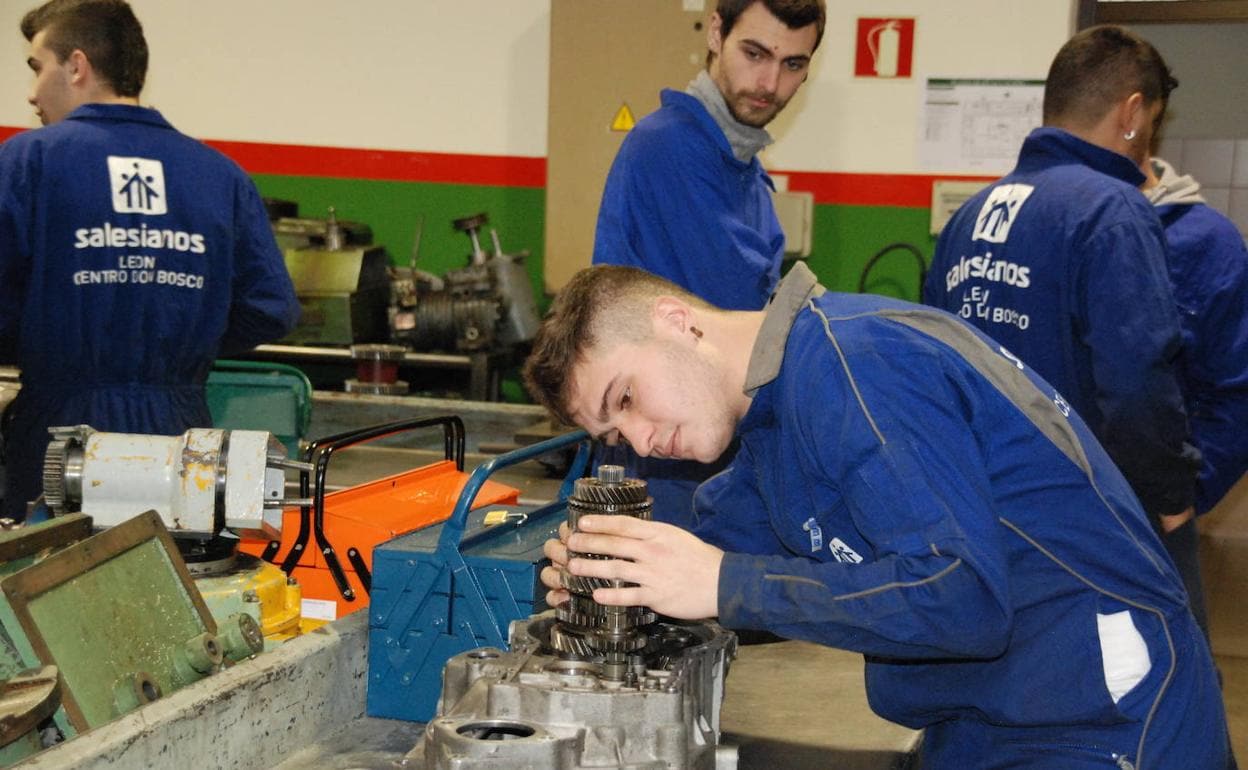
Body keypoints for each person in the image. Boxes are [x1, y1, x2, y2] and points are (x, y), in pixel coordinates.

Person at [523, 262, 1231, 769]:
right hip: (989, 720)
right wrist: (610, 582)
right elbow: (711, 549)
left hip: (1107, 715)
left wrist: (722, 583)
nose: (643, 440)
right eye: (616, 435)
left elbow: (963, 597)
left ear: (677, 324)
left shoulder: (855, 361)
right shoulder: (771, 434)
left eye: (627, 398)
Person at [0, 0, 299, 520]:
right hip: (180, 436)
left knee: (44, 581)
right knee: (176, 580)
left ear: (76, 65)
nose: (31, 92)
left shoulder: (28, 160)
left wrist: (42, 338)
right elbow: (270, 306)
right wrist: (184, 335)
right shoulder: (219, 174)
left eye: (36, 66)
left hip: (59, 434)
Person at [922, 27, 1198, 542]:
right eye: (1154, 124)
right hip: (1084, 522)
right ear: (1133, 112)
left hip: (980, 509)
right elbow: (1137, 384)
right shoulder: (1113, 212)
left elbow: (934, 367)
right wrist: (1172, 496)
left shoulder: (970, 216)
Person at [592, 0, 825, 528]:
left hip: (712, 461)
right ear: (716, 32)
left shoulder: (744, 170)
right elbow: (735, 325)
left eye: (793, 64)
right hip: (666, 467)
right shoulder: (668, 150)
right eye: (755, 52)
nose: (769, 82)